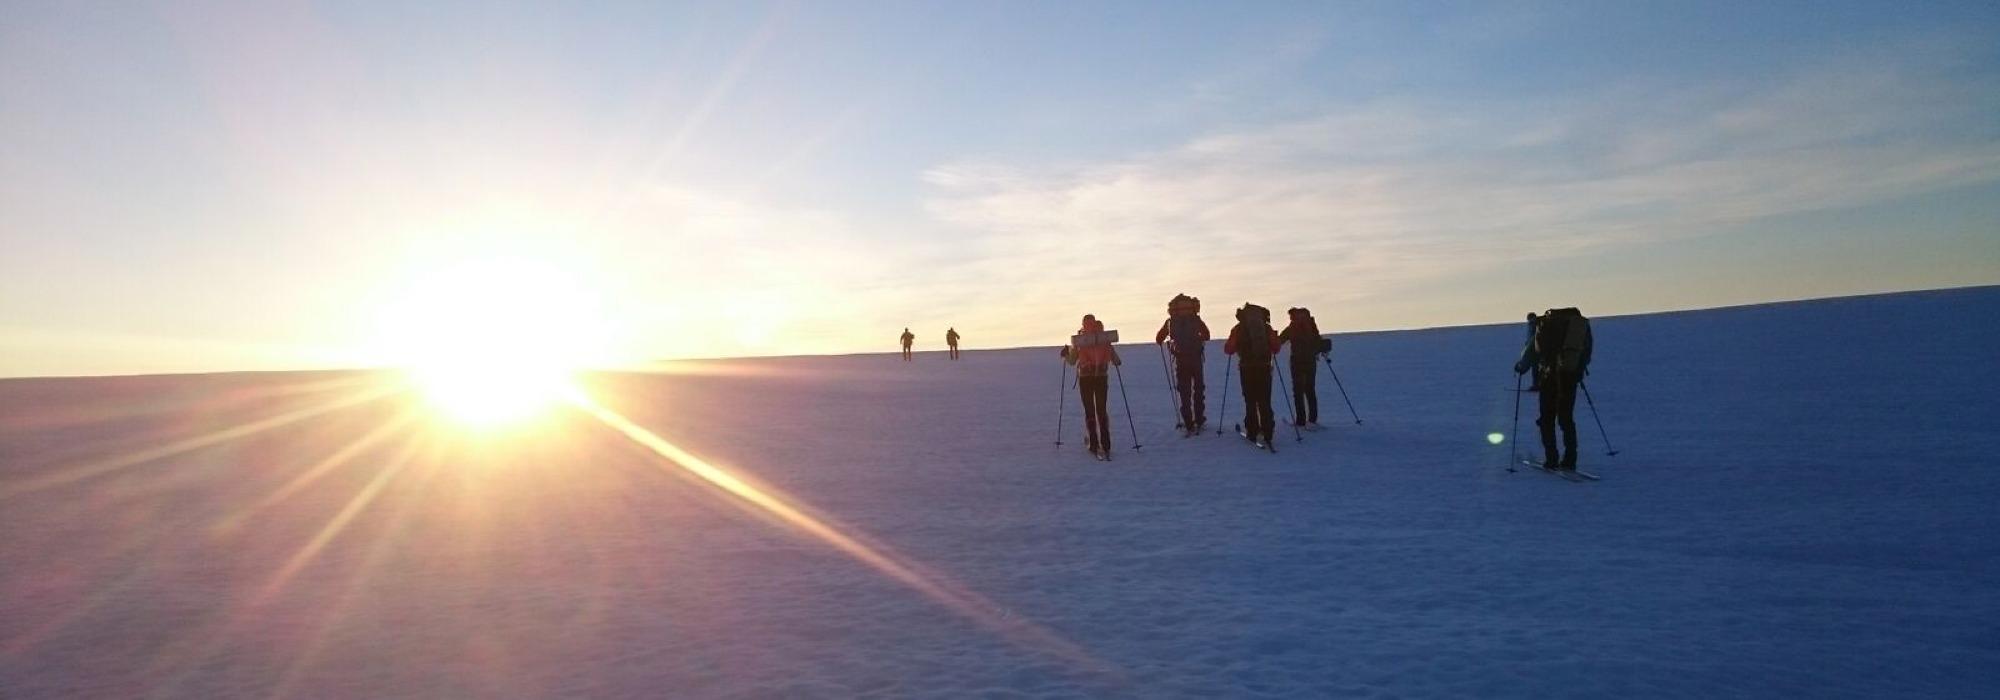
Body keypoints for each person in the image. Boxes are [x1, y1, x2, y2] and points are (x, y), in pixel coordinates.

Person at [1515, 307, 1593, 470]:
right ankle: (1570, 459)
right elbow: (1586, 351)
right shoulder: (1578, 326)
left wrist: (1522, 367)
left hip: (1548, 376)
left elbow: (1531, 350)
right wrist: (1578, 369)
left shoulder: (1544, 324)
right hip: (1569, 375)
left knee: (1547, 418)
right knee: (1566, 418)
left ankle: (1551, 458)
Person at [1062, 315, 1122, 457]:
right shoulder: (1104, 338)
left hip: (1085, 378)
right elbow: (1117, 361)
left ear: (1084, 324)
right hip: (1101, 377)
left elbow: (1071, 361)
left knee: (1089, 410)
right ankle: (1106, 444)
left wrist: (1065, 354)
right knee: (1101, 410)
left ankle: (1093, 444)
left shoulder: (1080, 340)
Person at [1223, 303, 1280, 448]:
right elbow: (1276, 347)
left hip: (1246, 368)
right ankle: (1268, 432)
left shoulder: (1238, 328)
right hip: (1265, 368)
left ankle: (1252, 431)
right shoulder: (1266, 328)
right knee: (1264, 400)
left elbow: (1229, 349)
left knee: (1250, 400)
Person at [1154, 294, 1210, 434]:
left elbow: (1159, 338)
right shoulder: (1195, 319)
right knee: (1198, 390)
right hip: (1196, 359)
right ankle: (1199, 419)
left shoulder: (1171, 321)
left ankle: (1188, 422)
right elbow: (1207, 335)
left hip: (1181, 360)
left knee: (1184, 392)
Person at [1276, 307, 1321, 427]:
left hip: (1297, 361)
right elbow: (1318, 340)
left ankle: (1300, 420)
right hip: (1311, 360)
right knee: (1310, 389)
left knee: (1298, 391)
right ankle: (1313, 419)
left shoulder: (1292, 327)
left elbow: (1280, 340)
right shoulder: (1311, 325)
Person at [1523, 312, 1542, 392]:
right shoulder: (1533, 325)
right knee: (1536, 368)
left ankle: (1536, 385)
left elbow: (1534, 338)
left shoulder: (1534, 325)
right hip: (1534, 349)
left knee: (1535, 368)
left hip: (1535, 350)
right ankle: (1537, 384)